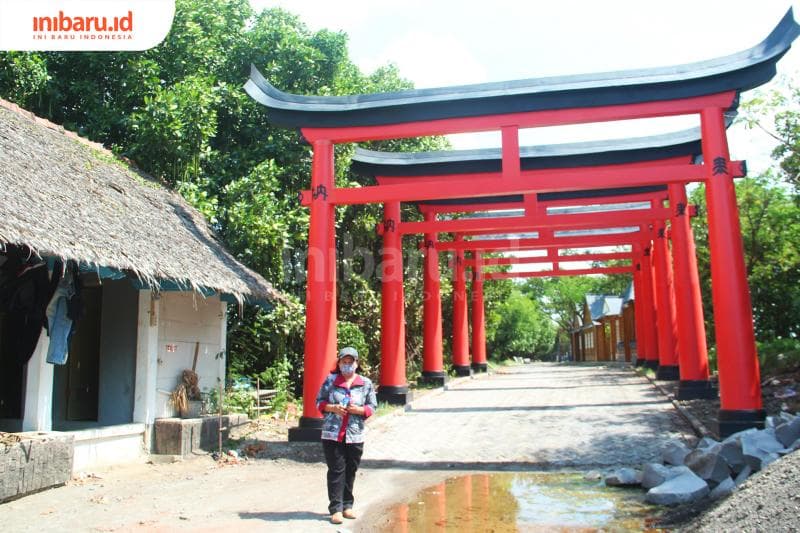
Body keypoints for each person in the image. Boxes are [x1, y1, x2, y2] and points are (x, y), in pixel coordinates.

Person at [316, 346, 377, 524]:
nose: (347, 365)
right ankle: (335, 508)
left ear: (357, 364)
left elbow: (372, 406)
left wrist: (359, 410)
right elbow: (319, 401)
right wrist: (333, 408)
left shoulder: (365, 383)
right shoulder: (331, 380)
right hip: (332, 433)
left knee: (350, 470)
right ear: (339, 363)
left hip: (355, 434)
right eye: (344, 362)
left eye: (351, 362)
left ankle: (347, 505)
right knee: (336, 470)